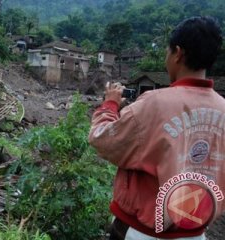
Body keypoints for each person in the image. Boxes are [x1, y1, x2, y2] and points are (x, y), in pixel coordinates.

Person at [89, 16, 225, 240]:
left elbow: (102, 139)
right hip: (196, 234)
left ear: (178, 53)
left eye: (167, 52)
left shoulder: (155, 103)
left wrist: (110, 104)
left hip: (143, 232)